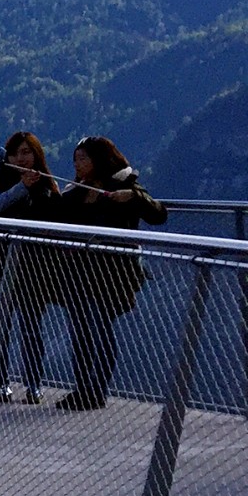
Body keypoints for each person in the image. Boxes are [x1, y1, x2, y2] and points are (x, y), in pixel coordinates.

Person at [52, 136, 167, 411]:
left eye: (83, 158)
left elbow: (158, 214)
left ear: (100, 159)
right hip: (78, 273)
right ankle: (83, 389)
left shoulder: (124, 185)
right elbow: (58, 220)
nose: (78, 164)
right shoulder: (78, 191)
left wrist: (134, 197)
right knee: (80, 331)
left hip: (112, 273)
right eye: (75, 159)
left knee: (98, 326)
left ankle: (96, 389)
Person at [0, 131, 61, 403]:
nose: (22, 157)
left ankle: (34, 384)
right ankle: (1, 382)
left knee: (31, 326)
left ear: (36, 155)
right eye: (17, 152)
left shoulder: (47, 183)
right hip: (1, 262)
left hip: (34, 267)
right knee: (1, 325)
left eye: (27, 152)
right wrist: (21, 188)